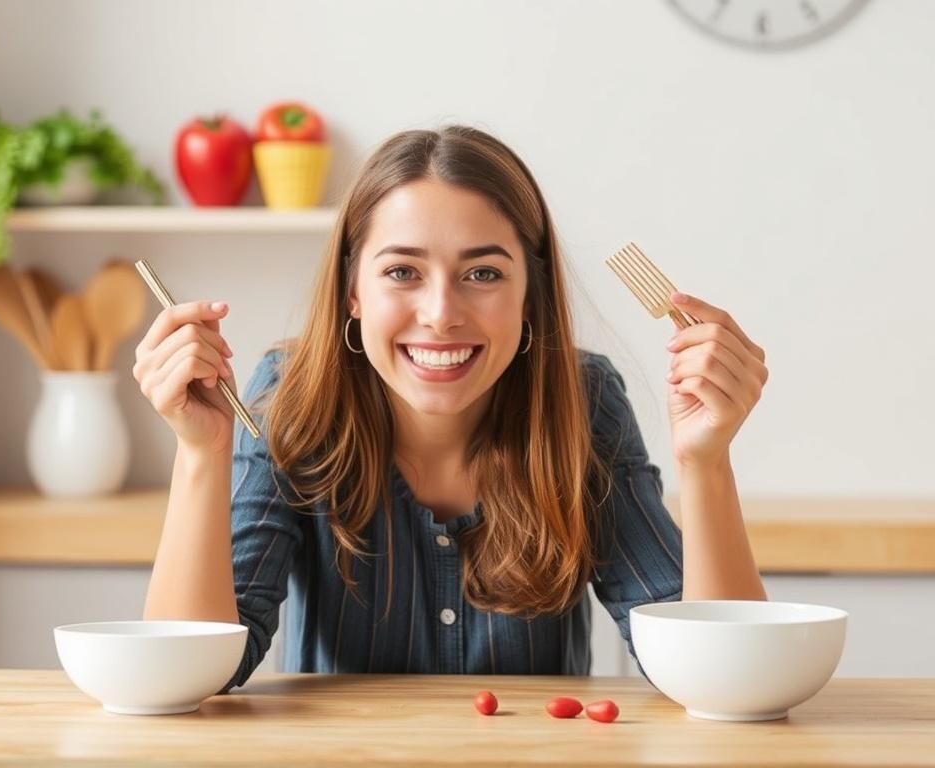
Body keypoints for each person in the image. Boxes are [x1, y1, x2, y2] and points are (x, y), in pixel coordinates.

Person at [133, 125, 769, 691]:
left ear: (530, 296)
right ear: (352, 291)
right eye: (403, 273)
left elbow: (719, 676)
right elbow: (195, 673)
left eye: (484, 274)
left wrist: (707, 461)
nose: (440, 314)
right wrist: (200, 452)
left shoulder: (584, 402)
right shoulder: (289, 400)